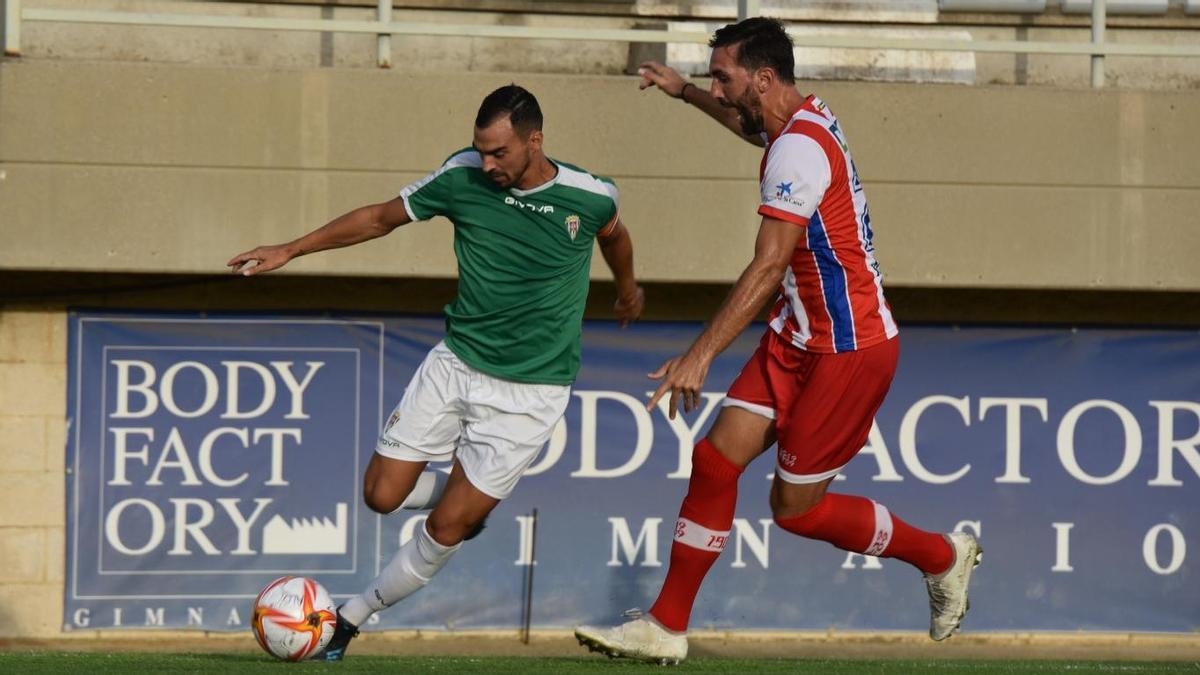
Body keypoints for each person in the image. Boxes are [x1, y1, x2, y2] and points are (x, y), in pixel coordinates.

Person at [574, 18, 980, 665]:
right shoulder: (798, 121)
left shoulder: (797, 150)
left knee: (796, 510)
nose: (719, 85)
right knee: (714, 460)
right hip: (796, 338)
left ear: (763, 78)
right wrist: (685, 93)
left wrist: (700, 353)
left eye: (723, 77)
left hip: (848, 350)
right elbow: (745, 125)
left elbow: (767, 267)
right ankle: (666, 625)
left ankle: (943, 554)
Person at [228, 84, 644, 661]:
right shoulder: (461, 174)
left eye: (499, 152)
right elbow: (378, 218)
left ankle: (352, 616)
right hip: (456, 364)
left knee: (447, 530)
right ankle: (466, 500)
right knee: (381, 494)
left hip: (533, 391)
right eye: (481, 150)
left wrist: (628, 289)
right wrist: (291, 250)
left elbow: (615, 237)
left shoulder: (589, 194)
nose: (488, 163)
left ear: (535, 140)